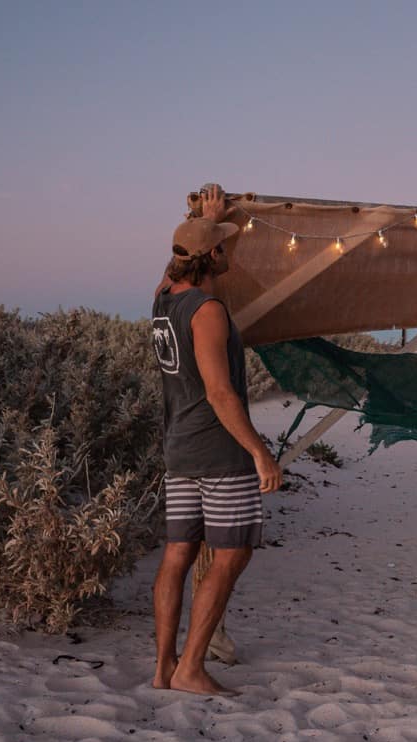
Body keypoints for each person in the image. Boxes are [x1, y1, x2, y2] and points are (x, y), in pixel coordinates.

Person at [150, 185, 281, 695]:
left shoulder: (161, 301)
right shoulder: (207, 311)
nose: (230, 250)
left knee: (177, 554)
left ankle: (164, 668)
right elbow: (222, 393)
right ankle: (191, 668)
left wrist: (199, 219)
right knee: (231, 555)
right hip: (219, 453)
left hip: (178, 448)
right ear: (211, 258)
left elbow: (176, 263)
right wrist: (259, 452)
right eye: (223, 245)